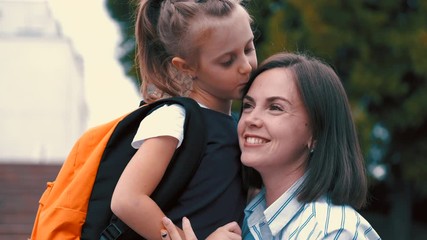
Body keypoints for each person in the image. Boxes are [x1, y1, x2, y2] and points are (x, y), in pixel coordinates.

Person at [161, 52, 382, 239]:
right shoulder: (248, 221)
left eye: (275, 107)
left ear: (315, 134)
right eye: (248, 105)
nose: (251, 119)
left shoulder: (332, 231)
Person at [110, 0, 257, 239]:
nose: (245, 66)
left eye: (249, 48)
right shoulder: (175, 119)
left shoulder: (240, 123)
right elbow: (127, 200)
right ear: (186, 67)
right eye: (227, 61)